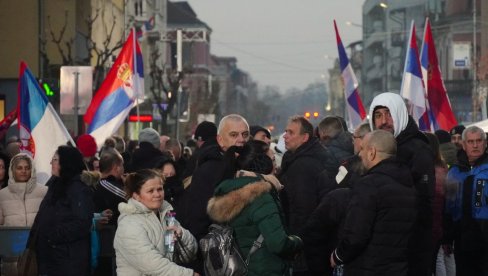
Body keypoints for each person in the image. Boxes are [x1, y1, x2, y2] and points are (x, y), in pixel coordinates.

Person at [207, 140, 302, 275]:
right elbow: (277, 243)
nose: (276, 166)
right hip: (265, 269)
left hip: (238, 269)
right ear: (264, 163)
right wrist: (297, 242)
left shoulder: (228, 190)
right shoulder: (260, 196)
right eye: (273, 160)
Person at [331, 130, 416, 275]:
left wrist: (338, 256)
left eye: (362, 148)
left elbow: (356, 235)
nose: (359, 154)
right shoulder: (408, 184)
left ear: (372, 152)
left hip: (367, 269)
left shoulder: (368, 185)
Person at [369, 92, 435, 276]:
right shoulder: (375, 148)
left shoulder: (417, 149)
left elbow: (424, 203)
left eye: (389, 114)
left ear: (400, 114)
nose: (383, 121)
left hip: (409, 248)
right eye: (378, 115)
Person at [177, 114, 250, 274]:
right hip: (218, 258)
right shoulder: (210, 169)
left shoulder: (244, 164)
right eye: (233, 134)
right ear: (220, 140)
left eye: (245, 134)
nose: (241, 140)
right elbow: (197, 217)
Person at [278, 115, 335, 275]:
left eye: (291, 132)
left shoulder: (302, 166)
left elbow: (302, 211)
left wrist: (295, 245)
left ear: (304, 138)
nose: (285, 136)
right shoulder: (305, 158)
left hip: (307, 250)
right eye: (285, 131)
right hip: (318, 245)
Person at [114, 169, 198, 276]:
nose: (157, 194)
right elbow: (152, 265)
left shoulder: (166, 216)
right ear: (136, 196)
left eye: (160, 189)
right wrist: (188, 274)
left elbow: (188, 255)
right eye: (150, 191)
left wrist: (182, 235)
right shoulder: (128, 225)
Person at [35, 146, 95, 276]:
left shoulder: (78, 189)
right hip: (52, 257)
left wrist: (53, 236)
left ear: (66, 163)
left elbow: (82, 223)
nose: (51, 163)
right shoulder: (54, 184)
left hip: (69, 259)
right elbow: (43, 215)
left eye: (55, 160)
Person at [445, 126, 488, 275]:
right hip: (462, 239)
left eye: (478, 141)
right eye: (470, 141)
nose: (475, 145)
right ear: (464, 144)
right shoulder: (454, 171)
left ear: (485, 143)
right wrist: (446, 237)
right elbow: (448, 206)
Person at [424, 132, 456, 276]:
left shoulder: (432, 171)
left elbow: (436, 203)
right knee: (445, 257)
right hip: (446, 222)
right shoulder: (444, 168)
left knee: (437, 260)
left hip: (435, 223)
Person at [92, 148, 127, 276]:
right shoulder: (108, 185)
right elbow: (130, 199)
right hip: (108, 244)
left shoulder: (106, 184)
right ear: (116, 167)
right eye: (122, 165)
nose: (123, 168)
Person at [0, 153, 47, 226]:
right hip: (11, 237)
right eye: (19, 168)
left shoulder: (44, 191)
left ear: (32, 170)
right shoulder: (2, 194)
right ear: (13, 170)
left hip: (39, 236)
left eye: (27, 168)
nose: (23, 171)